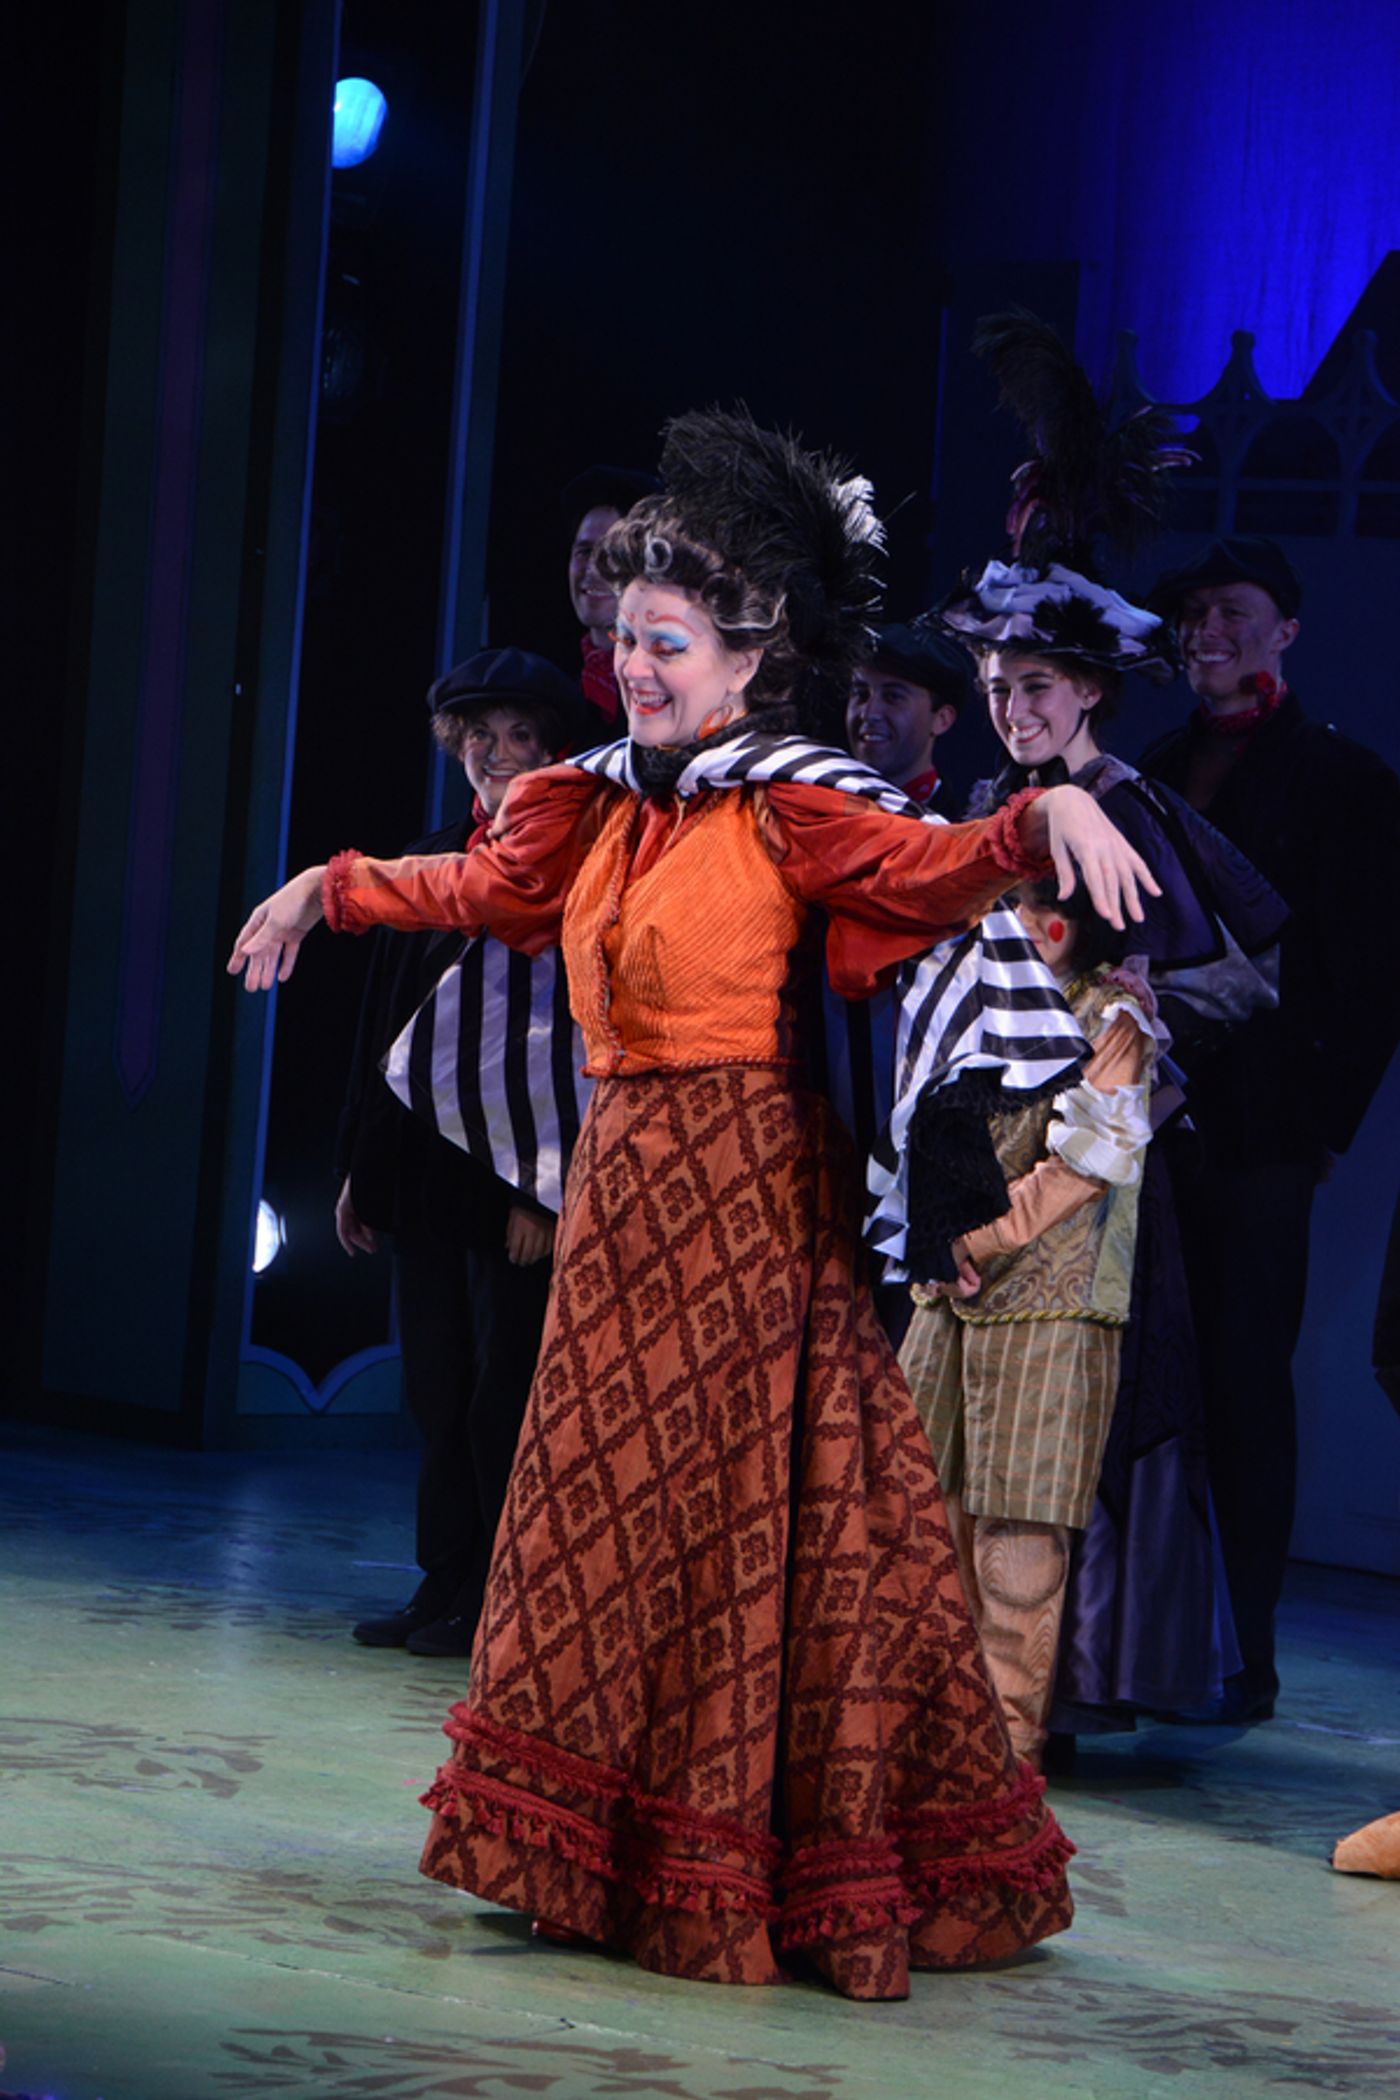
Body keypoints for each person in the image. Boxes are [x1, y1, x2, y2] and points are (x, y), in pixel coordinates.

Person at [230, 408, 1157, 2001]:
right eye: (626, 637)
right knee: (590, 1517)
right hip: (620, 1207)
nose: (638, 664)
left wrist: (1041, 819)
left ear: (746, 663)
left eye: (668, 642)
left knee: (726, 1525)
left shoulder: (793, 803)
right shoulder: (592, 805)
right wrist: (335, 883)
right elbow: (482, 892)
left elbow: (925, 870)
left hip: (746, 1202)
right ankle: (571, 1845)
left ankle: (723, 1857)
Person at [935, 318, 1289, 1737]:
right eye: (999, 685)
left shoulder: (1126, 812)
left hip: (1082, 1147)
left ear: (1089, 687)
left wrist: (1124, 1027)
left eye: (1039, 686)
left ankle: (1046, 1693)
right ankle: (950, 1681)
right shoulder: (982, 809)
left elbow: (1237, 972)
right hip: (967, 1122)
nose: (1013, 705)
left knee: (1064, 1407)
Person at [1140, 535, 1400, 1721]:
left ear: (1282, 630)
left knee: (1246, 1384)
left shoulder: (1342, 780)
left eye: (1232, 613)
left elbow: (1368, 973)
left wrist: (1320, 1126)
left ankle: (1242, 1651)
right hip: (1143, 1120)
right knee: (1151, 1378)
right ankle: (1144, 1644)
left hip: (1260, 1131)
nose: (1209, 632)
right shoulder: (1146, 766)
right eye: (1193, 615)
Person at [340, 648, 589, 1658]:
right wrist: (364, 1169)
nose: (490, 752)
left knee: (503, 1400)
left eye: (513, 735)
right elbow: (383, 1033)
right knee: (435, 1391)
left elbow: (571, 1043)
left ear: (550, 749)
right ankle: (443, 1581)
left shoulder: (568, 874)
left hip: (515, 1186)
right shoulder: (432, 856)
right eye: (474, 736)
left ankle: (497, 1597)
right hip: (425, 1179)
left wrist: (548, 1189)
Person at [900, 874, 1156, 1767]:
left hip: (1051, 1302)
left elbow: (1088, 1162)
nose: (1013, 924)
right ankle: (913, 1732)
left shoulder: (1113, 1018)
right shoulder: (971, 1007)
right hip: (948, 1295)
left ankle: (998, 1754)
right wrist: (931, 1235)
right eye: (1000, 902)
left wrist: (973, 1237)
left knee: (1018, 1541)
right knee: (915, 1511)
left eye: (1033, 905)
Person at [561, 465, 659, 734]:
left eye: (613, 554)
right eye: (584, 551)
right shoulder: (552, 698)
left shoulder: (676, 696)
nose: (593, 569)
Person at [846, 622, 971, 813]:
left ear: (942, 719)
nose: (868, 714)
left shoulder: (965, 829)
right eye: (860, 694)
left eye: (893, 697)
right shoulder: (820, 810)